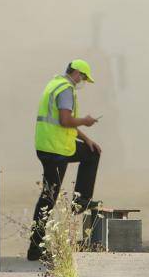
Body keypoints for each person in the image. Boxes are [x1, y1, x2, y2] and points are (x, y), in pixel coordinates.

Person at [28, 59, 102, 261]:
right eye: (84, 77)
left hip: (48, 146)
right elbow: (65, 120)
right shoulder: (66, 89)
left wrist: (86, 139)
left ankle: (80, 200)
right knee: (48, 198)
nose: (83, 81)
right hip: (56, 149)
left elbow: (62, 123)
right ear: (77, 73)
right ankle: (80, 201)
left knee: (91, 152)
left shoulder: (54, 84)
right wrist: (86, 122)